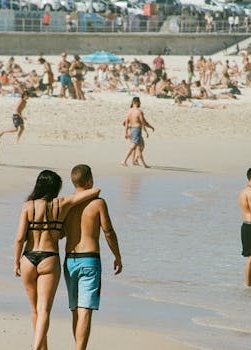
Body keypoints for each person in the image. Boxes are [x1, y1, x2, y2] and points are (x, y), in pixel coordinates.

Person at [13, 170, 101, 350]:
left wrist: (16, 262)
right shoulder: (62, 204)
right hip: (49, 258)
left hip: (28, 258)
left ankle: (41, 347)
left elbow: (20, 238)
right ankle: (37, 347)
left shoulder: (28, 206)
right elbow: (94, 191)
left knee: (35, 310)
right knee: (44, 309)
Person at [63, 164, 122, 350]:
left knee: (75, 310)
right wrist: (117, 256)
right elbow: (109, 232)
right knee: (85, 311)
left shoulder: (66, 203)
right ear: (89, 181)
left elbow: (60, 233)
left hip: (69, 260)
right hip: (89, 260)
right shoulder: (98, 203)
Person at [121, 97, 154, 168]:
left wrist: (126, 132)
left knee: (140, 145)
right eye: (140, 102)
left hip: (132, 130)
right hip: (137, 131)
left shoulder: (129, 111)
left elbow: (125, 123)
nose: (140, 103)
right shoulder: (139, 112)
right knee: (134, 146)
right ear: (137, 102)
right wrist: (149, 128)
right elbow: (143, 122)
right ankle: (124, 161)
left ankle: (136, 161)